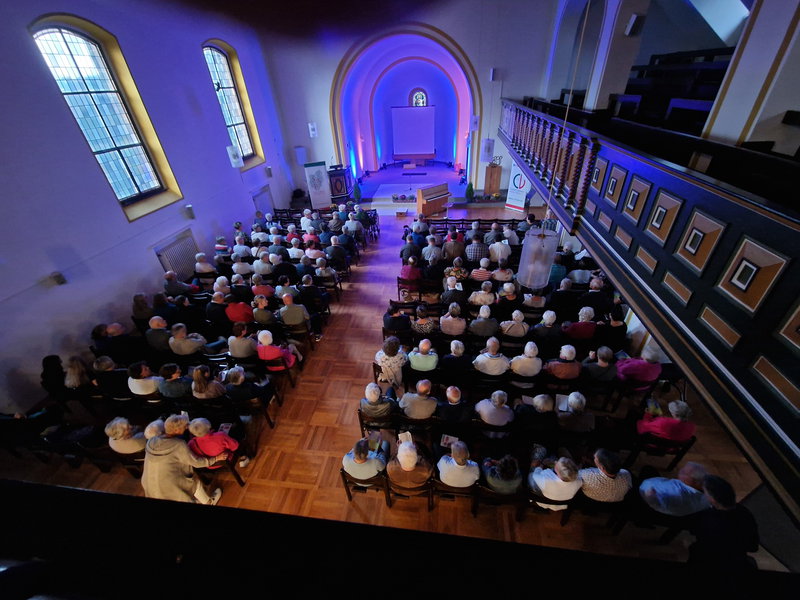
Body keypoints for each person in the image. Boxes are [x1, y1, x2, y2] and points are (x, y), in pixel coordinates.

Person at [141, 414, 226, 505]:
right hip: (168, 485)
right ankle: (209, 502)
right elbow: (196, 462)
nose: (187, 427)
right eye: (185, 426)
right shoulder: (179, 444)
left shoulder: (151, 440)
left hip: (149, 483)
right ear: (177, 430)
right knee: (194, 482)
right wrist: (215, 458)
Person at [688, 475, 759, 571]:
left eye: (704, 492)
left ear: (712, 499)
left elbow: (694, 531)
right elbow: (753, 547)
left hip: (707, 562)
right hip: (737, 563)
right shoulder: (744, 512)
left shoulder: (707, 518)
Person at [639, 462, 711, 517]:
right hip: (658, 489)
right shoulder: (706, 491)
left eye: (684, 472)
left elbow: (655, 501)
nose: (680, 470)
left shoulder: (676, 494)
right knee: (648, 469)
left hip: (650, 499)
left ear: (693, 480)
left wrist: (651, 495)